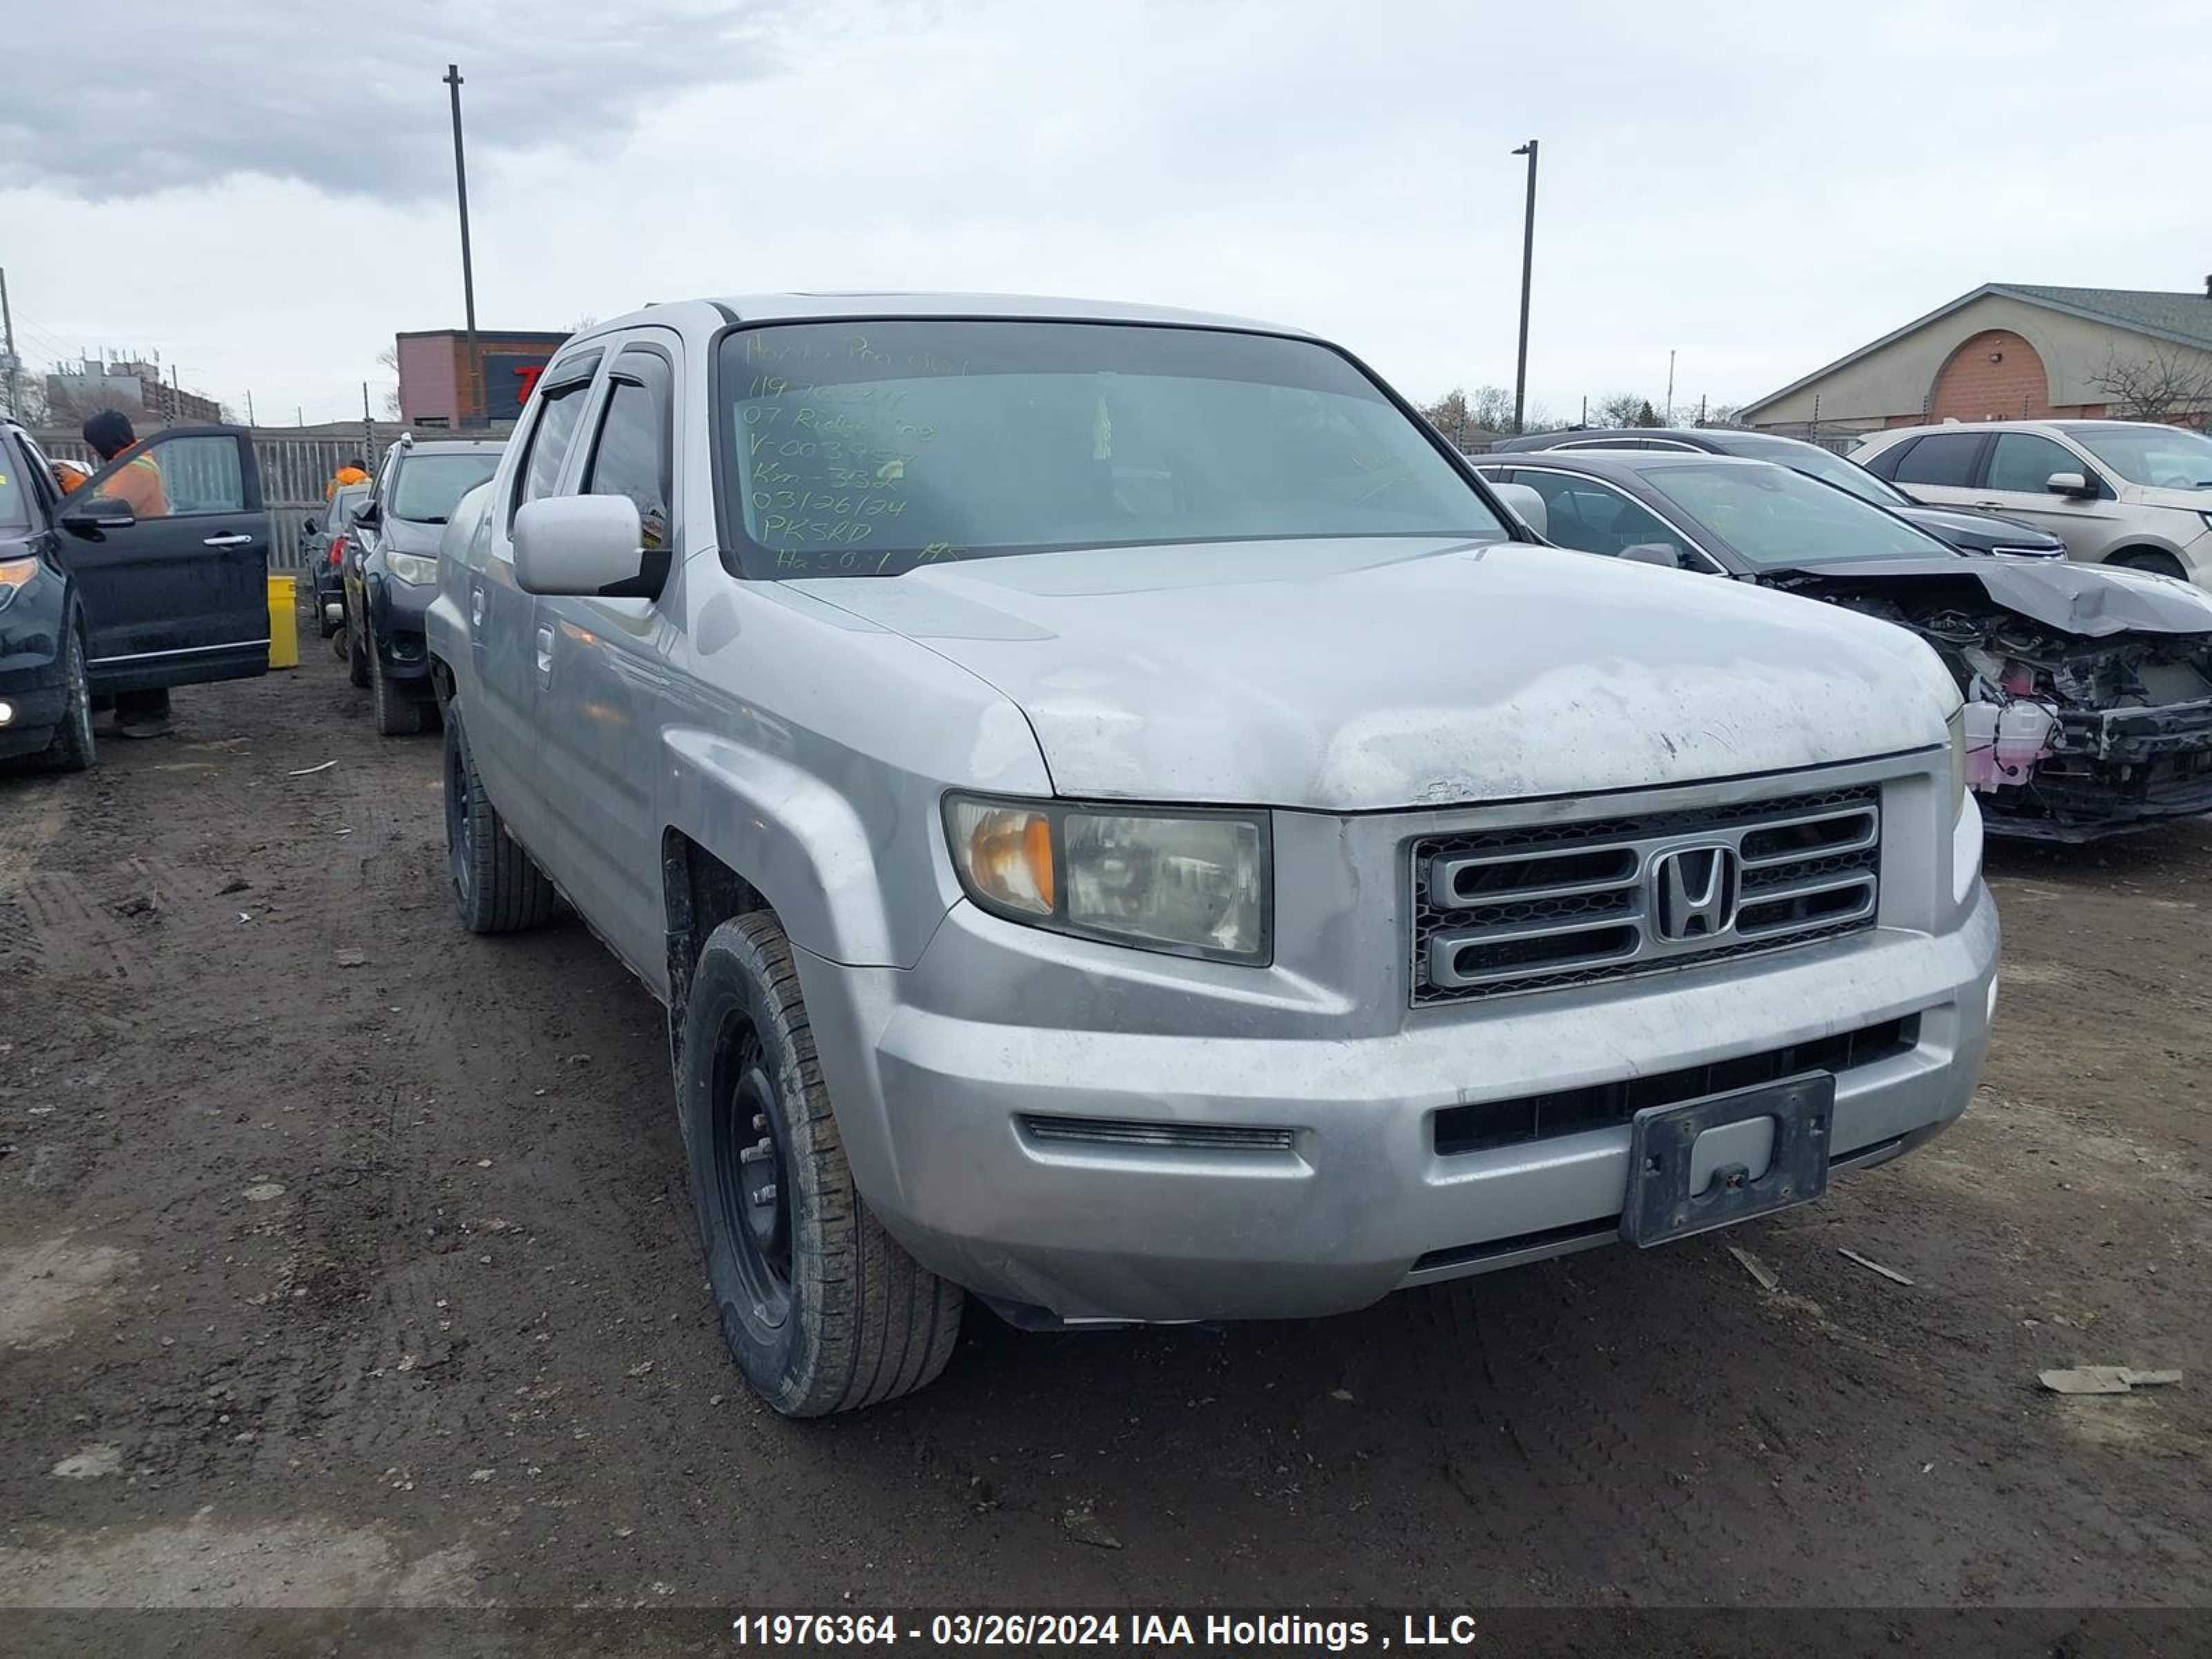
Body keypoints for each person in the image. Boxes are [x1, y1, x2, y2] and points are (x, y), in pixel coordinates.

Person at [80, 411, 175, 738]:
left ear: (107, 440)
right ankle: (134, 711)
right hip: (138, 559)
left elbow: (104, 505)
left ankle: (150, 713)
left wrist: (76, 489)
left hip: (138, 563)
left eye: (95, 444)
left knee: (139, 641)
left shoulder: (133, 468)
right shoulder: (134, 460)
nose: (94, 451)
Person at [82, 410, 170, 518]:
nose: (92, 451)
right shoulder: (132, 461)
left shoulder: (134, 470)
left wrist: (74, 486)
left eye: (93, 444)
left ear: (106, 442)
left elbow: (102, 511)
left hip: (141, 534)